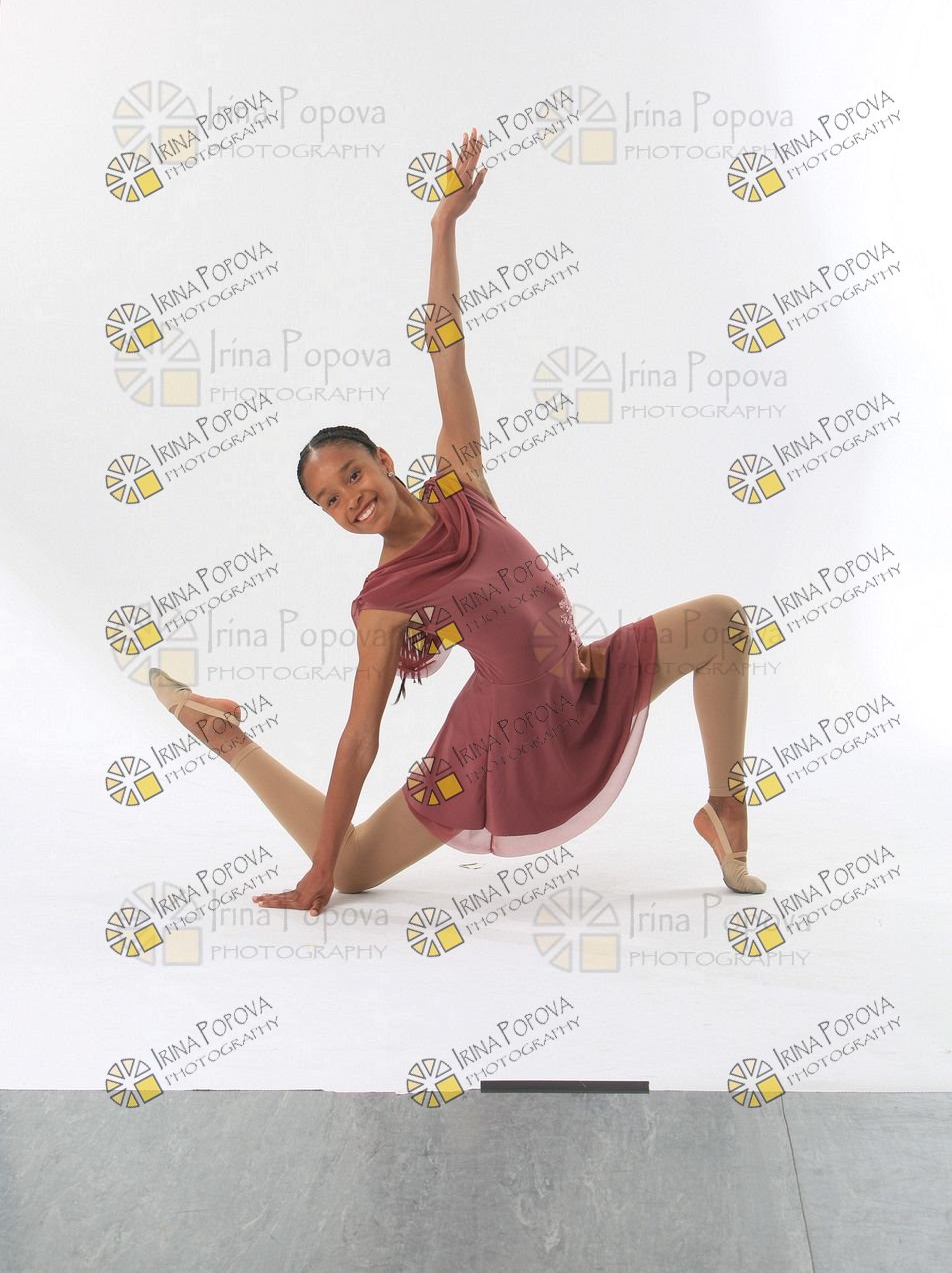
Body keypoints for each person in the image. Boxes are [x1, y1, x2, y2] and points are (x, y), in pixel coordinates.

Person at [150, 127, 767, 916]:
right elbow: (359, 739)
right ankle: (225, 736)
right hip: (501, 739)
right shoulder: (385, 600)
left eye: (352, 475)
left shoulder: (461, 481)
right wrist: (317, 875)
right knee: (357, 869)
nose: (351, 501)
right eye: (330, 502)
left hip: (585, 681)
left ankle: (726, 810)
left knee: (722, 622)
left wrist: (443, 225)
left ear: (382, 458)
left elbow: (447, 349)